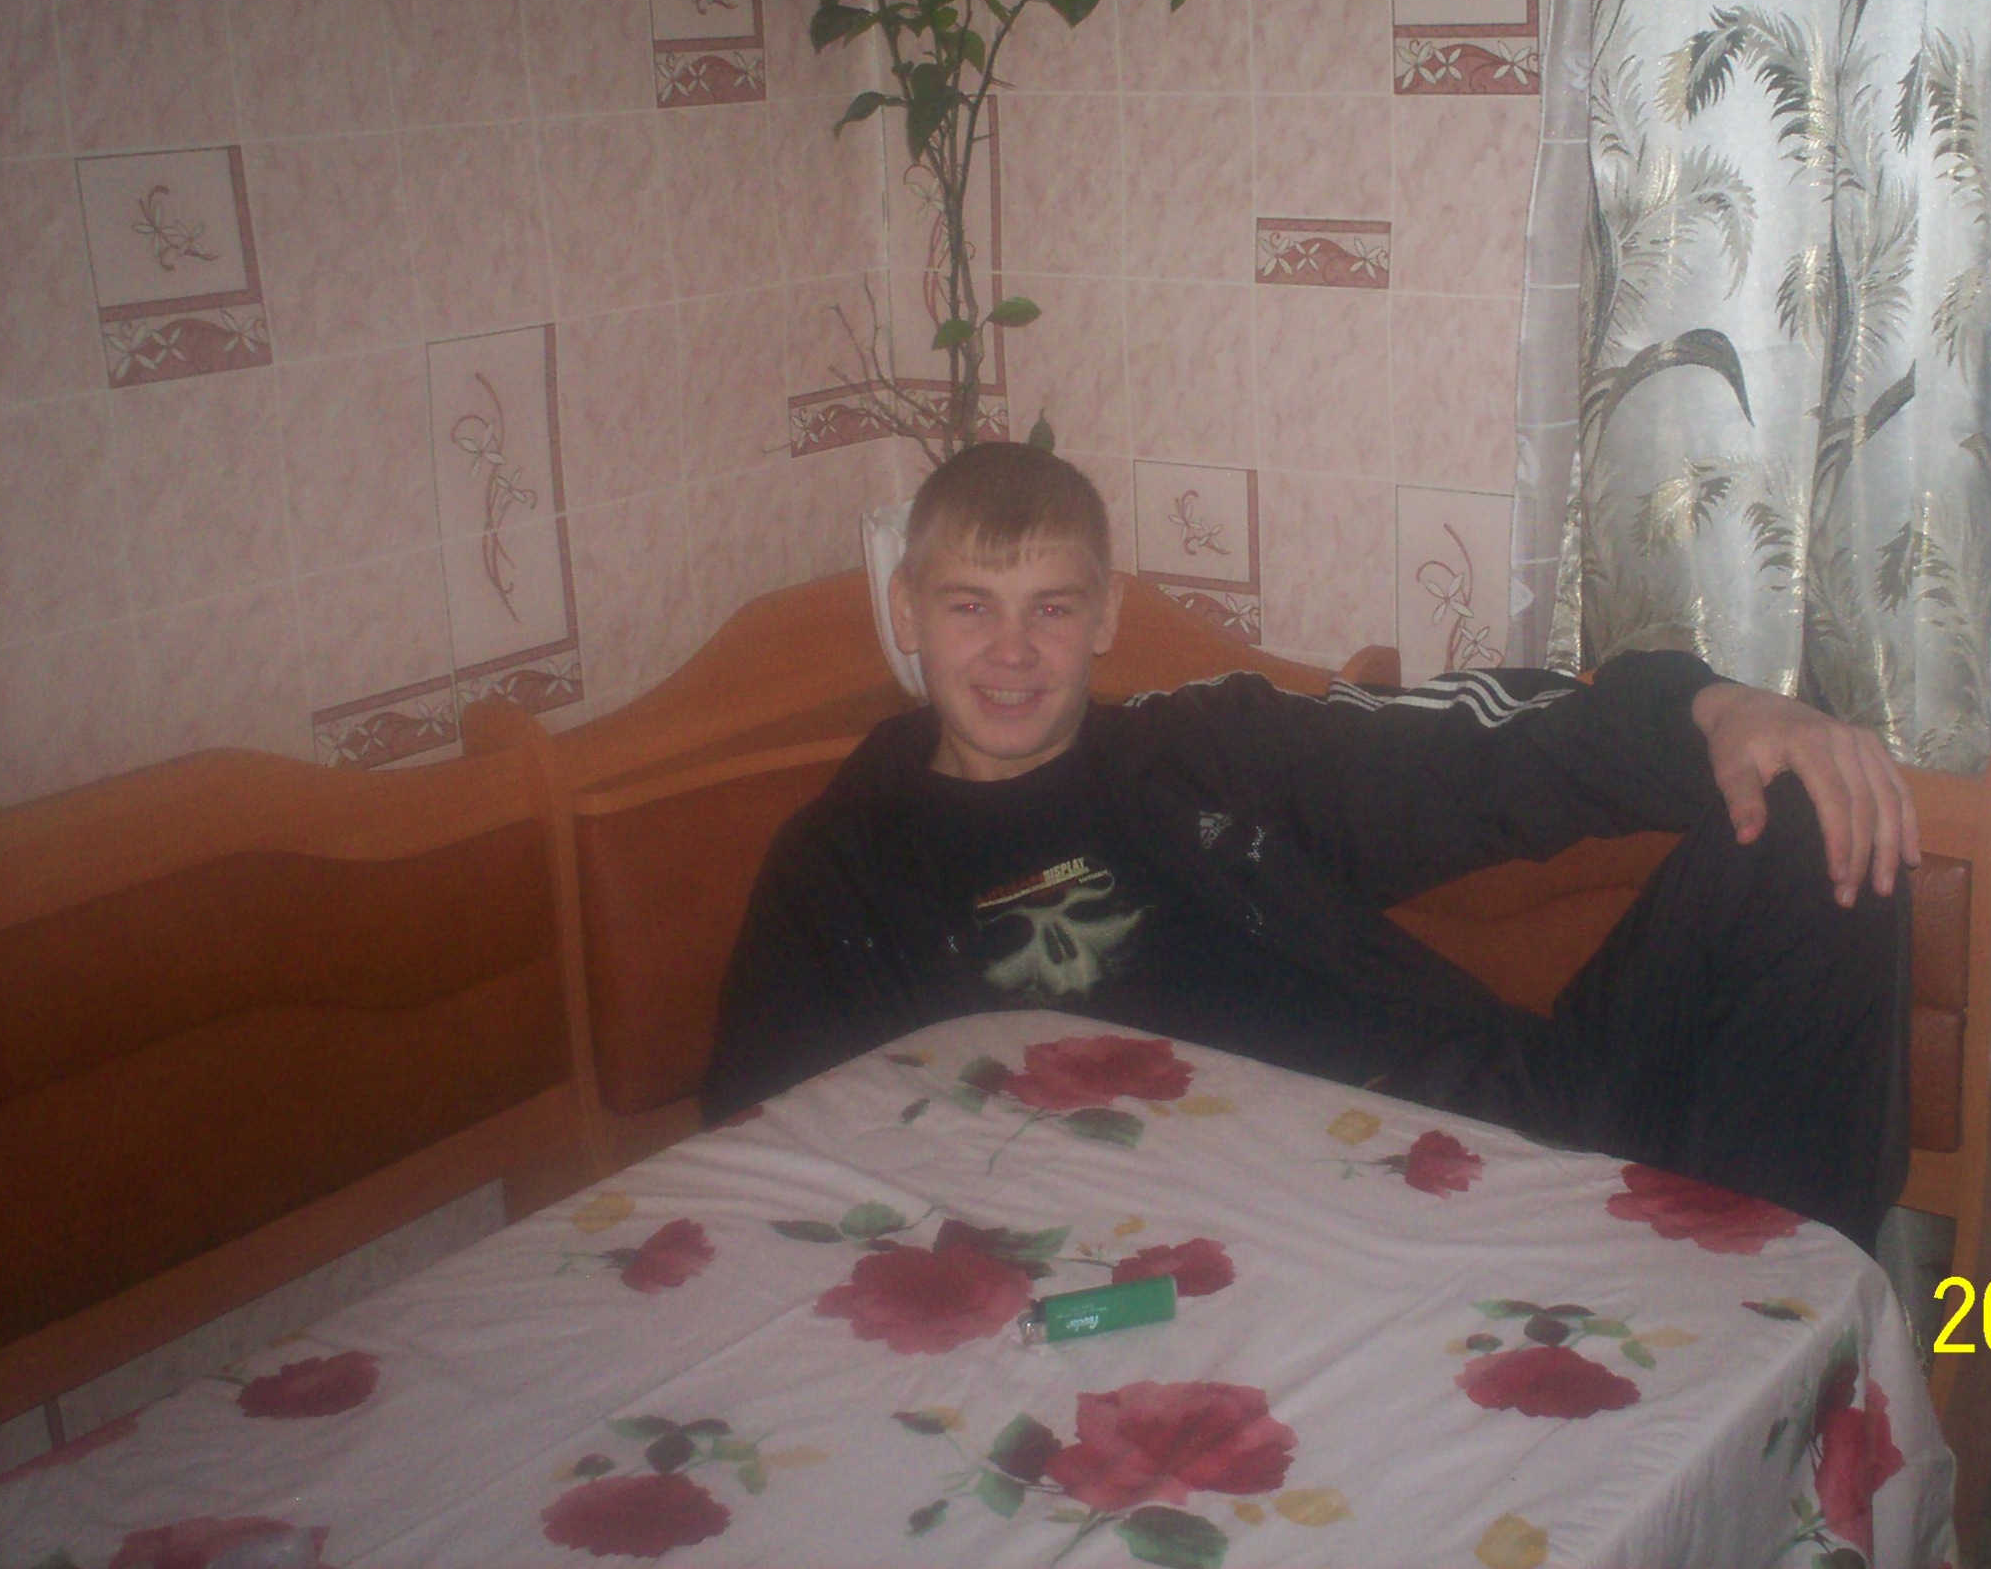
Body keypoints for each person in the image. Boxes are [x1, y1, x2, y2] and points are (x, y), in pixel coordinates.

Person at [702, 444, 1922, 1249]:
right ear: (907, 612)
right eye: (970, 606)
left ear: (1106, 615)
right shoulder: (844, 867)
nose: (1011, 653)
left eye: (1051, 608)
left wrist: (1709, 709)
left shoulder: (1205, 755)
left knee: (1816, 807)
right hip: (1252, 1243)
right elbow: (771, 1153)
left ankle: (1795, 1353)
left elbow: (1483, 751)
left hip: (1492, 1122)